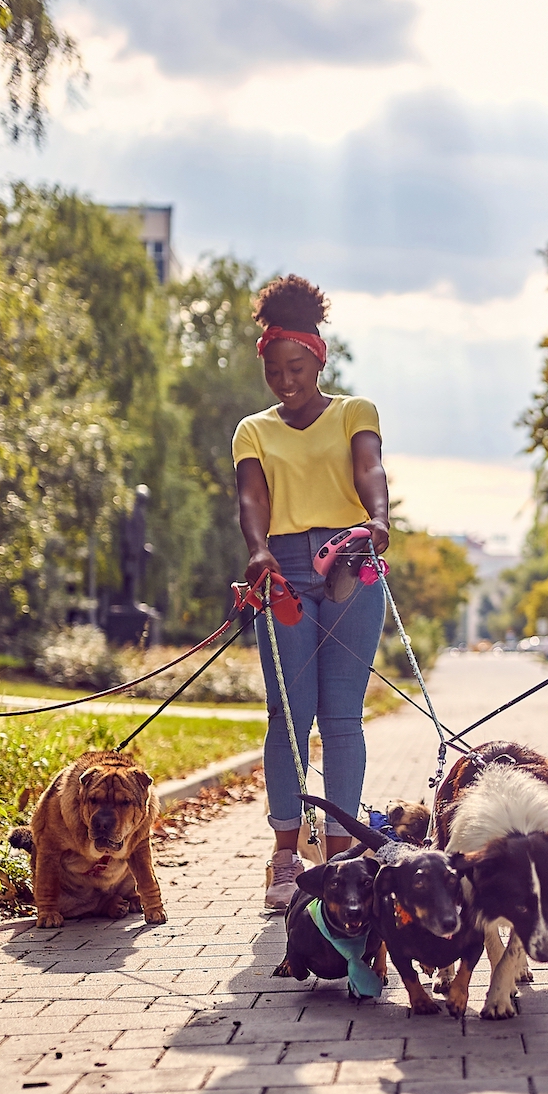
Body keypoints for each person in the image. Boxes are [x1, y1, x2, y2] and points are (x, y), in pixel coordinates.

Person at [234, 275, 391, 909]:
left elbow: (370, 468)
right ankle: (283, 855)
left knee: (342, 717)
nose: (286, 381)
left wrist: (378, 520)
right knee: (288, 718)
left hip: (350, 561)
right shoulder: (253, 430)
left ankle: (342, 853)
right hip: (284, 573)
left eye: (296, 367)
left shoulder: (357, 411)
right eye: (274, 371)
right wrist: (259, 551)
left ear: (318, 358)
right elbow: (252, 497)